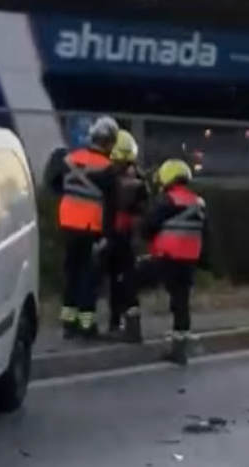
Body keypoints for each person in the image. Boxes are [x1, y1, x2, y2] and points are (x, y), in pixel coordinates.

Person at [45, 116, 121, 339]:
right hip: (91, 229)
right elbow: (112, 206)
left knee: (71, 273)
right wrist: (107, 235)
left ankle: (68, 323)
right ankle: (86, 325)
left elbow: (55, 183)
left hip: (68, 225)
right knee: (88, 277)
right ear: (109, 142)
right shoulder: (107, 168)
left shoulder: (70, 159)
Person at [133, 159, 207, 365]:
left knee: (129, 280)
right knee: (181, 303)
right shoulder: (199, 202)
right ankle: (179, 350)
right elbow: (206, 235)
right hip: (189, 261)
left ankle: (130, 328)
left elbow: (147, 227)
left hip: (167, 258)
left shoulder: (168, 201)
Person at [105, 129, 147, 343]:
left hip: (119, 234)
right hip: (132, 236)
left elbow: (110, 207)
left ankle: (118, 323)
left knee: (117, 279)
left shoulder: (113, 178)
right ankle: (128, 323)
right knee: (126, 279)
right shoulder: (139, 177)